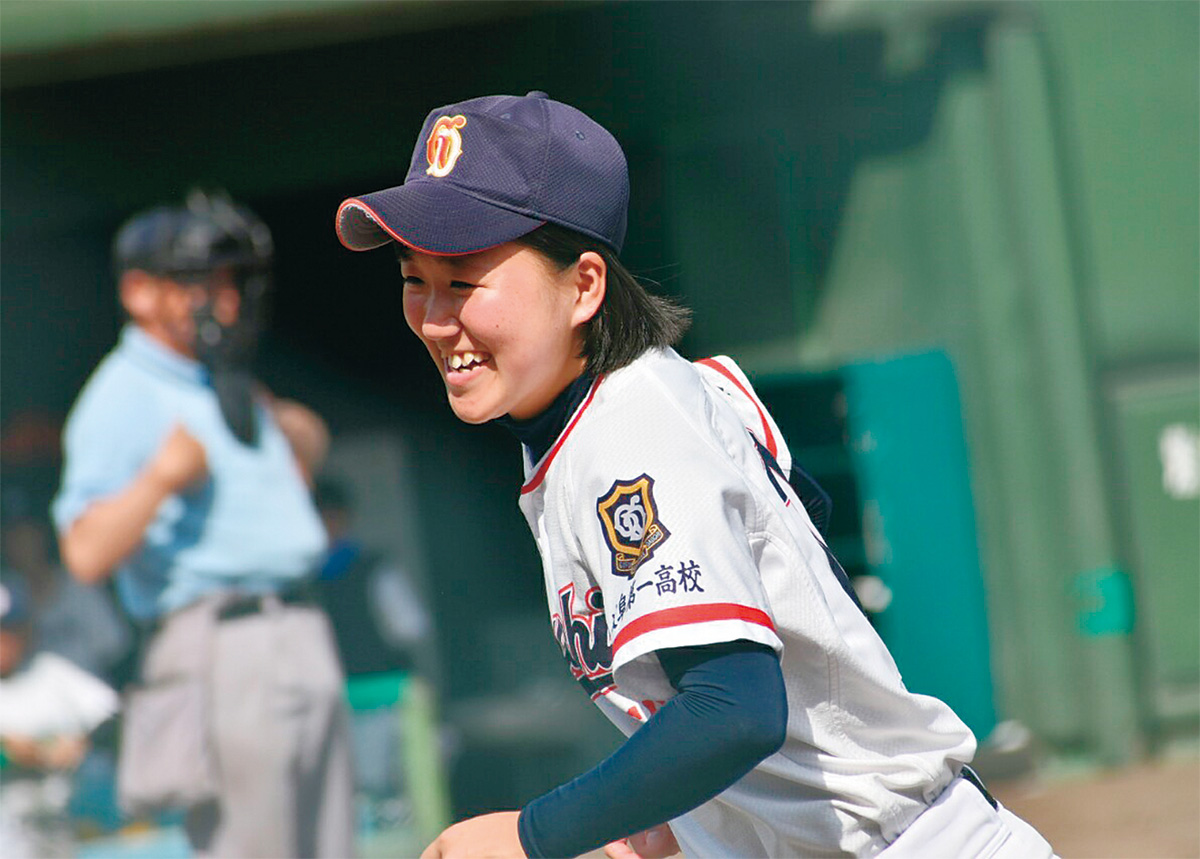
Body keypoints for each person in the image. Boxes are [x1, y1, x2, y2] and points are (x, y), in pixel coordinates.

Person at [334, 91, 1058, 859]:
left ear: (584, 286)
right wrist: (663, 826)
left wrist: (530, 835)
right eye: (416, 280)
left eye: (465, 280)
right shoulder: (592, 418)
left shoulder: (633, 422)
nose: (435, 319)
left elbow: (734, 708)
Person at [53, 190, 354, 858]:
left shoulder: (220, 378)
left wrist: (295, 431)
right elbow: (83, 552)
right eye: (197, 281)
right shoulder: (122, 389)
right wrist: (159, 477)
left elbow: (299, 460)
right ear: (139, 291)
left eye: (229, 282)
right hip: (222, 641)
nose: (222, 300)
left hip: (298, 624)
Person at [0, 573, 120, 858]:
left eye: (8, 629)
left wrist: (82, 742)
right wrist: (9, 751)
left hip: (77, 822)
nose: (3, 641)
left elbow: (116, 719)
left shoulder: (53, 670)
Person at [1, 489, 132, 684]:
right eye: (12, 536)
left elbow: (114, 649)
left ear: (43, 535)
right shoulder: (6, 590)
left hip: (85, 700)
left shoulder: (79, 582)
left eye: (27, 534)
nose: (21, 543)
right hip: (19, 702)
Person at [312, 475, 434, 679]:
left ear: (345, 517)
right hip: (335, 690)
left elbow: (411, 628)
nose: (326, 526)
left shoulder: (375, 569)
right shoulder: (304, 580)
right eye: (320, 518)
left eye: (331, 517)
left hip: (383, 687)